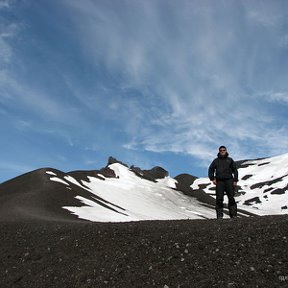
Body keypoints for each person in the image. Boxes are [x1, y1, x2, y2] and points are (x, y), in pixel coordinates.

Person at [208, 146, 238, 219]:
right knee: (219, 198)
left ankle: (233, 215)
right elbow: (210, 169)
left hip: (229, 180)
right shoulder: (216, 161)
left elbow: (235, 170)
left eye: (223, 150)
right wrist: (212, 178)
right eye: (221, 150)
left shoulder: (230, 160)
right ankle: (219, 216)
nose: (222, 151)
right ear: (219, 151)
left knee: (231, 197)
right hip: (219, 181)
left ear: (226, 151)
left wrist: (235, 180)